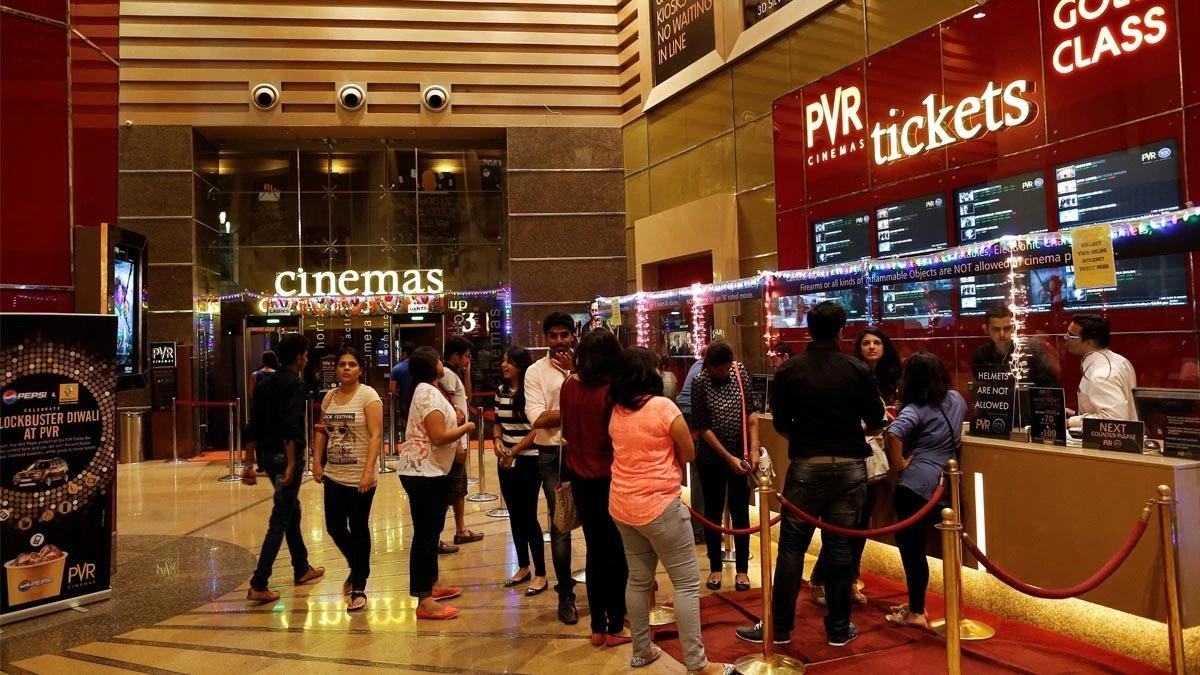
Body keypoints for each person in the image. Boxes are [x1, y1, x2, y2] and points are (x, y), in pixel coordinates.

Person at [737, 301, 885, 648]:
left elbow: (781, 422)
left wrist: (806, 439)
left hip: (806, 464)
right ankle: (838, 627)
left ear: (808, 330)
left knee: (791, 547)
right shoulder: (857, 370)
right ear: (841, 331)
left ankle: (780, 627)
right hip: (850, 467)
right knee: (840, 547)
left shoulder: (790, 370)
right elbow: (876, 420)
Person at [608, 347, 735, 675]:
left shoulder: (617, 410)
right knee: (686, 584)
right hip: (660, 506)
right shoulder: (663, 407)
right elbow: (689, 451)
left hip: (622, 505)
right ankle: (697, 663)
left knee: (638, 580)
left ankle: (640, 651)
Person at [810, 325, 902, 606]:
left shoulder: (891, 380)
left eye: (877, 342)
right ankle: (821, 578)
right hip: (850, 454)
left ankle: (850, 579)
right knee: (843, 524)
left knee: (862, 525)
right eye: (866, 343)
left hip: (879, 459)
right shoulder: (851, 374)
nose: (871, 347)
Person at [883, 352, 967, 630]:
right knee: (935, 548)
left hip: (915, 484)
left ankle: (917, 611)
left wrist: (899, 464)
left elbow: (893, 432)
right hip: (945, 484)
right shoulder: (957, 399)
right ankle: (926, 606)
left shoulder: (915, 409)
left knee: (913, 550)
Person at [242, 333, 325, 603]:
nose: (307, 359)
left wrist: (248, 463)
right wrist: (290, 463)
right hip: (285, 457)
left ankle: (301, 567)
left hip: (267, 457)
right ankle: (259, 582)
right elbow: (291, 426)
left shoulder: (264, 384)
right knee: (280, 517)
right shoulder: (295, 385)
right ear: (299, 357)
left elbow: (252, 425)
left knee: (291, 509)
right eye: (306, 354)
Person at [561, 329, 629, 647]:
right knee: (616, 551)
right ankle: (615, 624)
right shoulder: (612, 389)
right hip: (612, 477)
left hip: (579, 477)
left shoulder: (568, 386)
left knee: (594, 550)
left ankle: (597, 626)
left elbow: (566, 430)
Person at [397, 346, 476, 620]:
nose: (443, 362)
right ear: (432, 365)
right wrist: (466, 428)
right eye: (439, 359)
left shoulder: (428, 390)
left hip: (430, 471)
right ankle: (424, 600)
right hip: (423, 473)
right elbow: (438, 437)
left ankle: (430, 585)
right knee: (425, 535)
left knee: (431, 531)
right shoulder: (428, 393)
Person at [311, 347, 382, 611]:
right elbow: (322, 430)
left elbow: (376, 435)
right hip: (334, 475)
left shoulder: (369, 396)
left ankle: (359, 585)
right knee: (334, 527)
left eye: (352, 364)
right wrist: (316, 460)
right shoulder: (329, 397)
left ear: (360, 369)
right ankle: (359, 564)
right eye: (342, 364)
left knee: (359, 527)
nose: (347, 368)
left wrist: (368, 471)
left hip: (360, 477)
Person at [691, 341, 760, 593]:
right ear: (708, 365)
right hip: (711, 457)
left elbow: (751, 412)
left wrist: (754, 446)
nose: (723, 372)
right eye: (717, 369)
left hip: (741, 454)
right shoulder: (700, 382)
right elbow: (703, 427)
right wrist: (727, 457)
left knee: (741, 511)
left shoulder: (739, 372)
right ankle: (715, 567)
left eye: (726, 368)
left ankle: (742, 569)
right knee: (713, 510)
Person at [524, 312, 579, 624]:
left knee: (600, 522)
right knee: (560, 526)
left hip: (586, 451)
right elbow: (538, 419)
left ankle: (605, 591)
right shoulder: (535, 372)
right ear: (545, 338)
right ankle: (565, 595)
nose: (559, 341)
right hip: (552, 455)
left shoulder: (585, 366)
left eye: (564, 335)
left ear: (573, 336)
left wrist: (574, 373)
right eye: (553, 335)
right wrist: (578, 406)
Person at [492, 347, 548, 595]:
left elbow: (536, 430)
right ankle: (523, 566)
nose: (504, 365)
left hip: (528, 460)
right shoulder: (501, 391)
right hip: (506, 460)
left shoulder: (531, 393)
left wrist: (514, 450)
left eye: (510, 362)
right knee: (514, 515)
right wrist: (497, 441)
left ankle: (541, 573)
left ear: (521, 366)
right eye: (504, 361)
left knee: (528, 516)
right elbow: (497, 423)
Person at [438, 336, 482, 552]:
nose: (468, 360)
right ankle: (440, 535)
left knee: (459, 487)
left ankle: (461, 529)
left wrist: (466, 372)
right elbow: (450, 410)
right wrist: (458, 443)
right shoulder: (446, 374)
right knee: (449, 489)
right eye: (465, 356)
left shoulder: (454, 373)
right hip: (453, 439)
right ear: (454, 355)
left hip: (458, 437)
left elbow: (467, 398)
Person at [1066, 314, 1137, 429]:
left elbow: (1114, 419)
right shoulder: (1121, 361)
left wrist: (1071, 422)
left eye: (1071, 335)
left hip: (1109, 440)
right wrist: (1075, 415)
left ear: (1089, 343)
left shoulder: (1100, 375)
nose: (1065, 337)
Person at [972, 304, 1059, 388]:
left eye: (1007, 328)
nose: (1002, 334)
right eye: (996, 329)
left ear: (1014, 328)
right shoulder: (981, 354)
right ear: (986, 329)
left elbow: (1049, 387)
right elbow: (980, 389)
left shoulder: (1032, 351)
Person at [388, 340, 415, 422]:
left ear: (405, 353)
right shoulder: (420, 366)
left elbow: (392, 389)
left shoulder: (397, 369)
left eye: (401, 352)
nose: (400, 354)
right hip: (419, 401)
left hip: (404, 403)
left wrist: (399, 394)